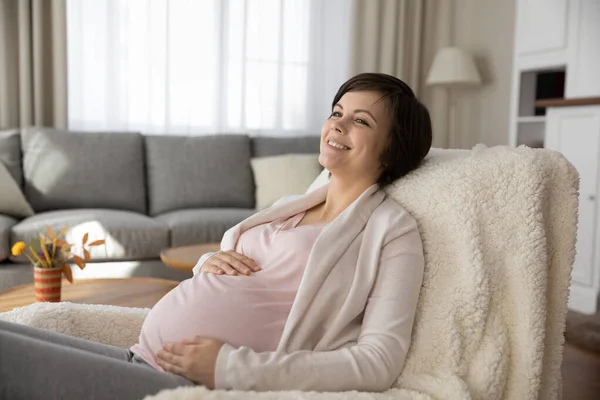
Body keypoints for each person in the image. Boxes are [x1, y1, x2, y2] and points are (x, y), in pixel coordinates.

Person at [0, 72, 432, 399]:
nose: (337, 125)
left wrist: (230, 368)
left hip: (176, 385)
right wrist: (210, 264)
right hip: (142, 356)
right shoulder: (301, 200)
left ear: (393, 149)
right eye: (336, 112)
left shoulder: (391, 231)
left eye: (361, 121)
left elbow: (378, 362)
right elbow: (252, 271)